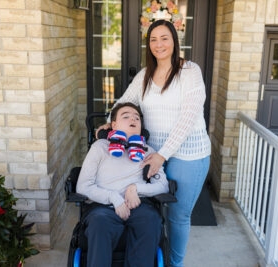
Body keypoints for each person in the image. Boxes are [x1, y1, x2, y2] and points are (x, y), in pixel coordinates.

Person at [97, 19, 211, 267]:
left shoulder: (190, 72)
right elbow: (123, 102)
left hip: (187, 155)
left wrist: (163, 155)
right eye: (153, 39)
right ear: (148, 45)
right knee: (149, 210)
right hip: (150, 152)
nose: (159, 44)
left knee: (177, 215)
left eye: (164, 38)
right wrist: (110, 122)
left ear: (174, 41)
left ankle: (175, 264)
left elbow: (188, 118)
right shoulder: (144, 75)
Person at [76, 102, 169, 267]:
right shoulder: (100, 147)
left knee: (151, 220)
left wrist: (135, 188)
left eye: (136, 117)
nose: (133, 119)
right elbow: (83, 186)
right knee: (99, 223)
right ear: (114, 125)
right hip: (102, 207)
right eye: (125, 116)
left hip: (138, 205)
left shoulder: (149, 151)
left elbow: (163, 186)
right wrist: (113, 198)